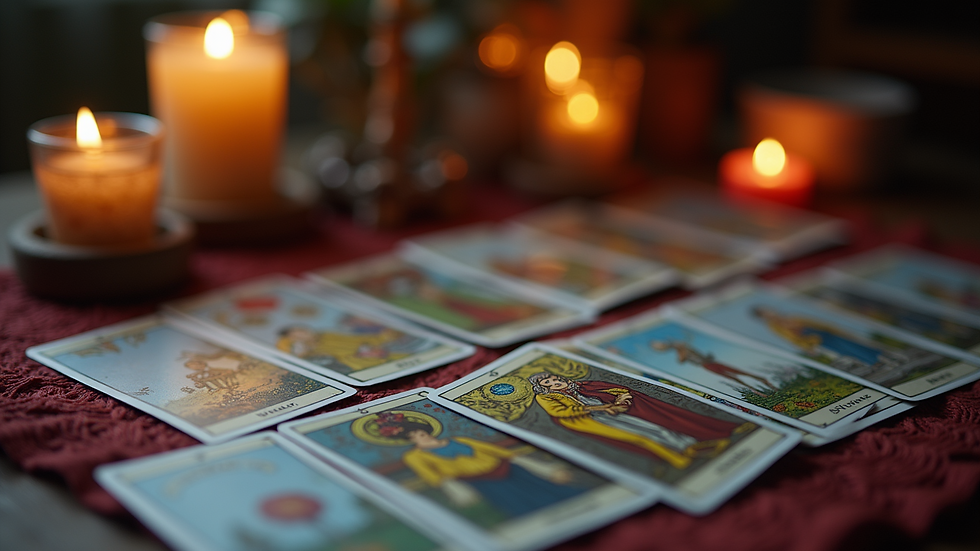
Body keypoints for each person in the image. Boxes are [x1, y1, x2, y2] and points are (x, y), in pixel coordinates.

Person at [376, 413, 584, 516]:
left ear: (426, 431)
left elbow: (499, 452)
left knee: (548, 489)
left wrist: (547, 469)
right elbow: (434, 476)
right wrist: (456, 490)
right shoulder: (414, 457)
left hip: (509, 468)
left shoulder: (460, 439)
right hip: (482, 482)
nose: (420, 438)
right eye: (414, 437)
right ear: (409, 440)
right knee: (518, 504)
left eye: (420, 433)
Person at [527, 373, 740, 469]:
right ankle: (678, 458)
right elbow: (563, 413)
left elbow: (610, 389)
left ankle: (692, 447)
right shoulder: (544, 398)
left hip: (610, 412)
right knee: (638, 436)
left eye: (554, 378)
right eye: (549, 382)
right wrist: (604, 407)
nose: (555, 382)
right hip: (591, 419)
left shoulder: (579, 385)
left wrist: (621, 397)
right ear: (543, 387)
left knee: (653, 427)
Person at [751, 306, 890, 366]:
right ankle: (873, 362)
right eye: (765, 314)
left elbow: (817, 323)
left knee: (851, 343)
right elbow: (791, 338)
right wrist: (806, 347)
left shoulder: (792, 317)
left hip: (822, 332)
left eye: (768, 310)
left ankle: (880, 355)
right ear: (763, 317)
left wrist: (836, 330)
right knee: (843, 350)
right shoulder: (775, 327)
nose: (770, 313)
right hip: (812, 339)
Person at [275, 319, 413, 371]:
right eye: (298, 333)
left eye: (303, 329)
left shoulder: (326, 335)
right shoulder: (304, 351)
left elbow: (357, 341)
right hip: (355, 364)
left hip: (379, 354)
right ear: (292, 337)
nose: (305, 333)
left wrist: (383, 336)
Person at [650, 340, 777, 393]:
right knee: (732, 377)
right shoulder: (680, 350)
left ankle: (764, 381)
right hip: (707, 365)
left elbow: (688, 354)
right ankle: (755, 390)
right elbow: (682, 360)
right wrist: (680, 349)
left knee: (738, 372)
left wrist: (682, 348)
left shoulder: (682, 346)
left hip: (710, 362)